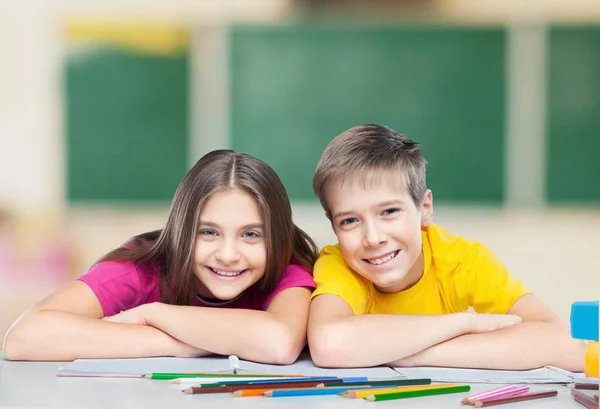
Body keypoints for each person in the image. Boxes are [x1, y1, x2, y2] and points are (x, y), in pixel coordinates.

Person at [307, 124, 585, 370]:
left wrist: (413, 353)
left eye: (389, 211)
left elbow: (567, 344)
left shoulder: (460, 259)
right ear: (334, 227)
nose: (373, 237)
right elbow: (329, 343)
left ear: (425, 208)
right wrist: (464, 324)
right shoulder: (338, 264)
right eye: (350, 220)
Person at [4, 150, 319, 363]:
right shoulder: (142, 267)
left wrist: (154, 315)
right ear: (181, 230)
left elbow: (280, 342)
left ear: (276, 237)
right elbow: (23, 337)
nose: (227, 255)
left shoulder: (286, 268)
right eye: (207, 232)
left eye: (251, 235)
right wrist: (183, 344)